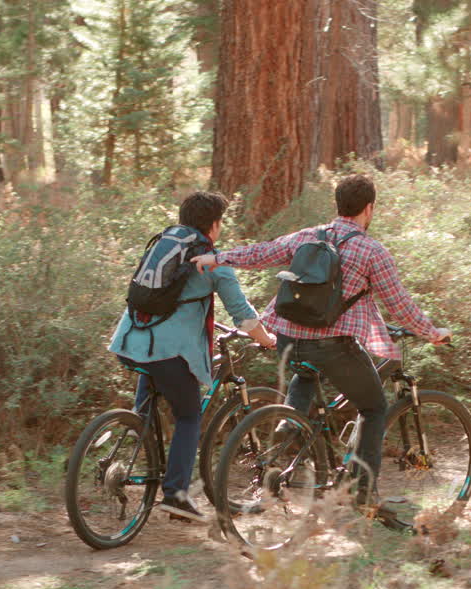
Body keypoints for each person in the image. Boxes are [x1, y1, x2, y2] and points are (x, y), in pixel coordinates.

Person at [192, 174, 450, 512]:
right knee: (373, 408)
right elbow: (400, 306)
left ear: (338, 205)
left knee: (306, 375)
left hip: (287, 339)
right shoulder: (371, 250)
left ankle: (290, 430)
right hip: (332, 346)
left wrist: (218, 258)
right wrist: (432, 332)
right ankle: (363, 491)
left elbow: (263, 253)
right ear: (369, 209)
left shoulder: (309, 236)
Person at [110, 191, 276, 522]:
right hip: (170, 352)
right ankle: (176, 496)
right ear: (214, 225)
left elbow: (174, 300)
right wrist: (267, 339)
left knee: (150, 399)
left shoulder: (167, 243)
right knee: (188, 418)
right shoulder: (213, 262)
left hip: (132, 342)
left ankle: (134, 442)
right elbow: (244, 315)